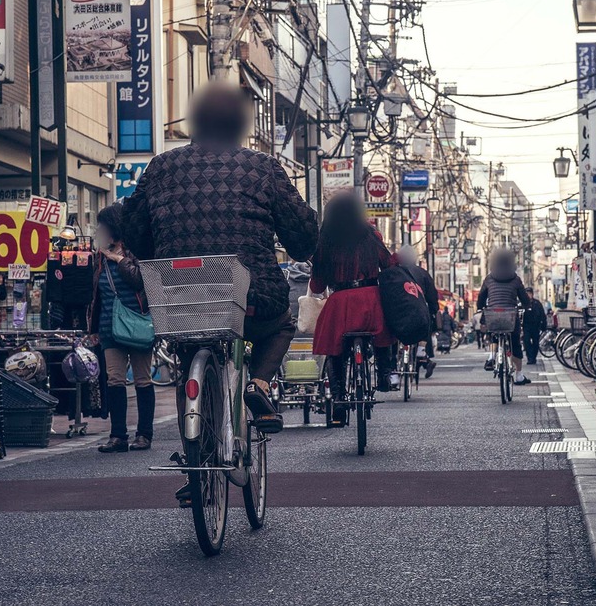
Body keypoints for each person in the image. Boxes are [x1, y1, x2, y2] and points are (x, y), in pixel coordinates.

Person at [123, 82, 318, 437]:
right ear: (239, 124)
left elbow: (133, 231)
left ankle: (193, 465)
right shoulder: (263, 167)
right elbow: (303, 236)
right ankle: (258, 385)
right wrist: (303, 244)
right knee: (281, 325)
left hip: (179, 294)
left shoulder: (160, 166)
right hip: (250, 297)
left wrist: (160, 251)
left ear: (194, 122)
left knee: (188, 355)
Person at [309, 193, 395, 426]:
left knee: (335, 352)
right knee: (383, 335)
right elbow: (388, 265)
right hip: (370, 299)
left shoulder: (325, 241)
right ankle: (386, 375)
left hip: (340, 303)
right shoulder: (371, 236)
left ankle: (337, 400)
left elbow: (317, 285)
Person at [88, 202, 155, 454]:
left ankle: (144, 434)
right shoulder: (98, 258)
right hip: (108, 328)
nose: (99, 231)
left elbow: (140, 280)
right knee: (114, 380)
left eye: (103, 226)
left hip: (138, 325)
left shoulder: (136, 251)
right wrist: (92, 328)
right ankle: (118, 436)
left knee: (142, 380)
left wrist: (119, 259)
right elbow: (96, 295)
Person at [477, 248, 532, 385]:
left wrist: (481, 306)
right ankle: (519, 375)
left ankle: (491, 356)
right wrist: (526, 305)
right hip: (510, 316)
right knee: (515, 343)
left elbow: (481, 297)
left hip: (493, 314)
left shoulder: (489, 279)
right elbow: (524, 298)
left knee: (493, 334)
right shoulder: (516, 279)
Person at [395, 245, 438, 378]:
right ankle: (421, 350)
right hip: (419, 310)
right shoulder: (423, 273)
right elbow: (432, 296)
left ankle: (393, 365)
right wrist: (434, 310)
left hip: (399, 312)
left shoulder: (394, 272)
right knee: (425, 323)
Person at [522, 287, 547, 366]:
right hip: (526, 326)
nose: (528, 295)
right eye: (527, 294)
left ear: (532, 294)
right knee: (526, 341)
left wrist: (543, 326)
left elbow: (542, 315)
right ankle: (529, 357)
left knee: (536, 342)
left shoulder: (537, 303)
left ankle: (533, 357)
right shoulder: (523, 304)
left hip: (536, 326)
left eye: (529, 293)